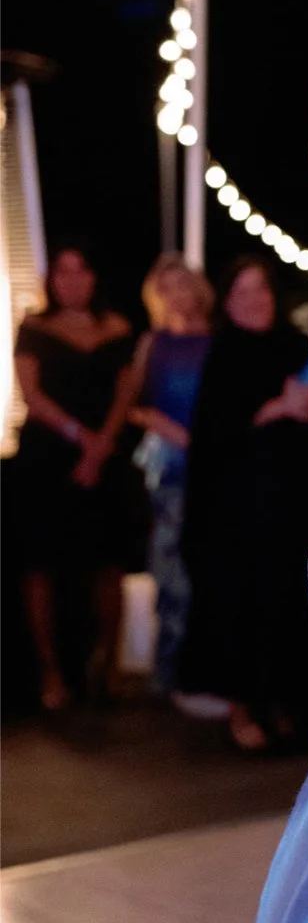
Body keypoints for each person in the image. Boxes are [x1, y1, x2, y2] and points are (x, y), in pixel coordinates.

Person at [176, 255, 308, 752]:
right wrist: (278, 407)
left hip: (296, 502)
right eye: (241, 292)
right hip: (237, 512)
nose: (254, 301)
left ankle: (290, 706)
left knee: (292, 603)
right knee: (243, 605)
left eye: (261, 290)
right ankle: (244, 708)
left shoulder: (297, 345)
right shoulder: (224, 354)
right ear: (227, 302)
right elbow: (213, 437)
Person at [12, 243, 137, 710]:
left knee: (109, 561)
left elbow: (126, 392)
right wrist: (80, 437)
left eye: (81, 271)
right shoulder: (35, 328)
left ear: (94, 278)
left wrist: (100, 445)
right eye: (63, 272)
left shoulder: (117, 328)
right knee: (41, 564)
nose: (72, 280)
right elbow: (32, 395)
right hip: (46, 458)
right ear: (52, 280)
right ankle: (50, 671)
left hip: (105, 456)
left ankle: (107, 666)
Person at [125, 252, 214, 698]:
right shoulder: (152, 343)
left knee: (209, 564)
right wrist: (163, 426)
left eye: (182, 285)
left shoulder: (217, 341)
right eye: (166, 289)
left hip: (212, 464)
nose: (176, 296)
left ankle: (205, 665)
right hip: (169, 467)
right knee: (171, 566)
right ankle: (168, 670)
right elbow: (131, 404)